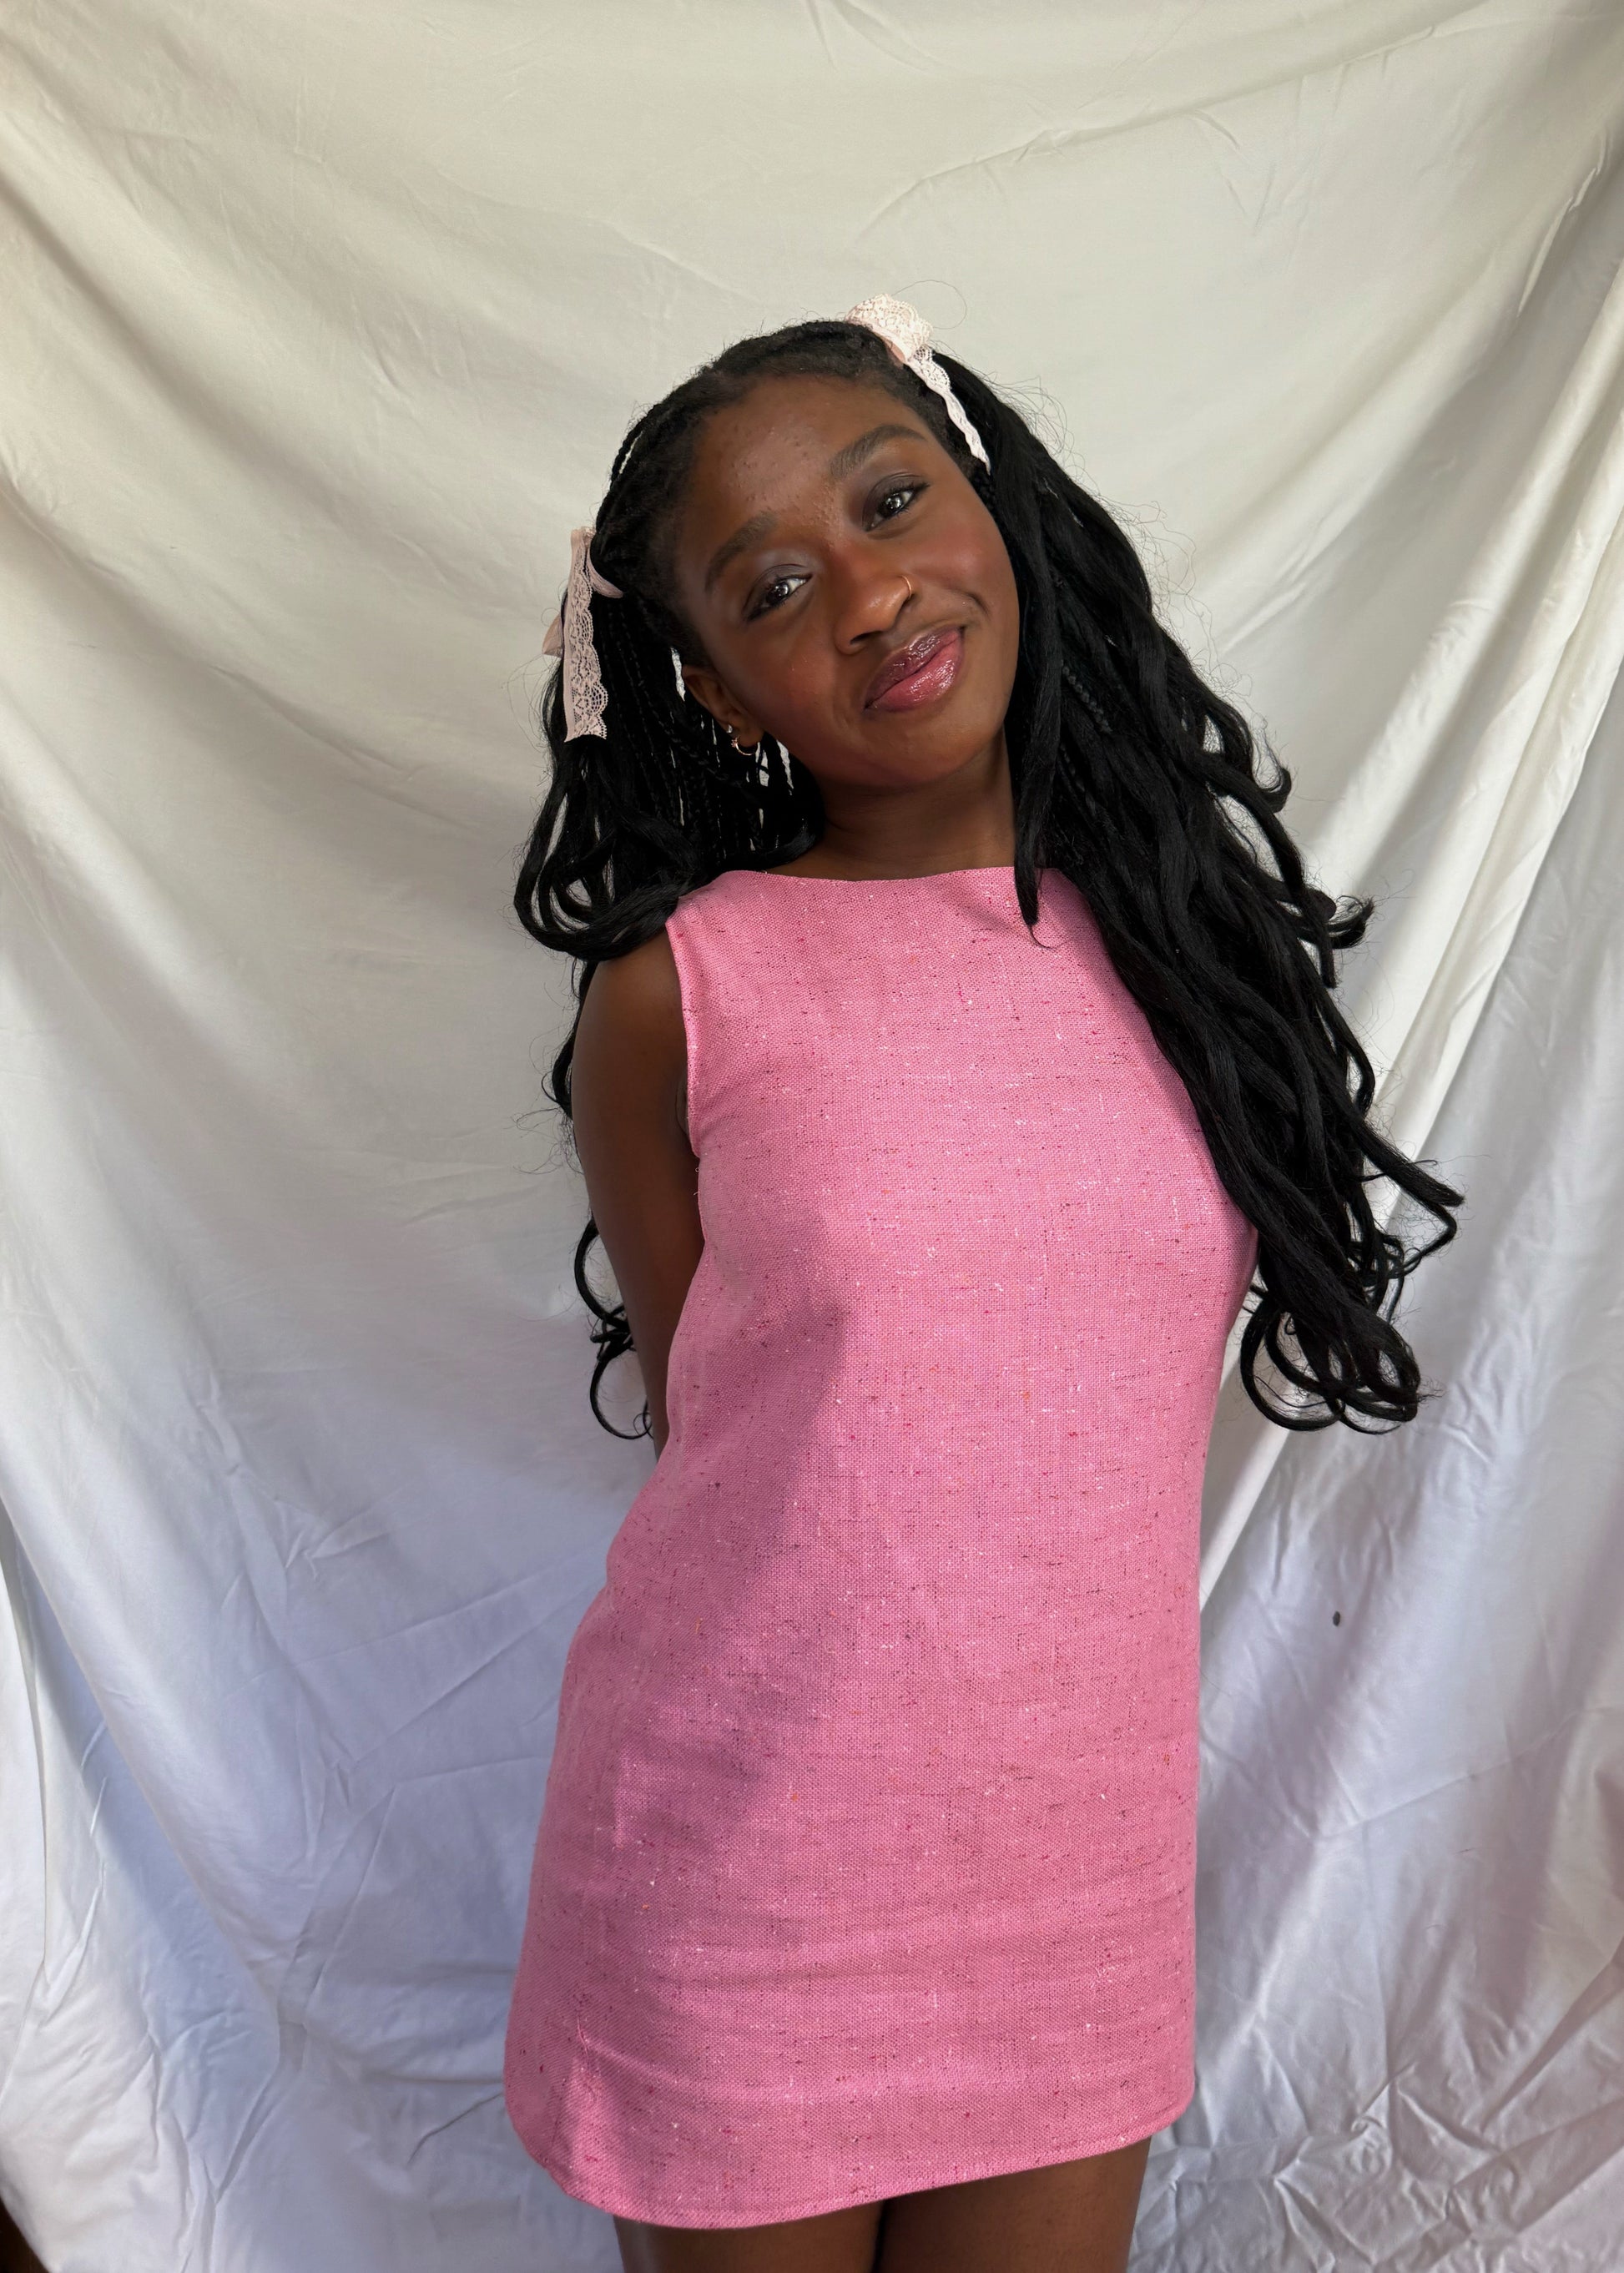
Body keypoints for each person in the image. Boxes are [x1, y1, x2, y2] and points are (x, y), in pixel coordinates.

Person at [501, 298, 1462, 2273]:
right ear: (720, 691)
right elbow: (726, 1435)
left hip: (1066, 1876)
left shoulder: (1187, 954)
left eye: (888, 503)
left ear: (993, 504)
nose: (869, 594)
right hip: (746, 1870)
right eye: (775, 587)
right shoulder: (677, 995)